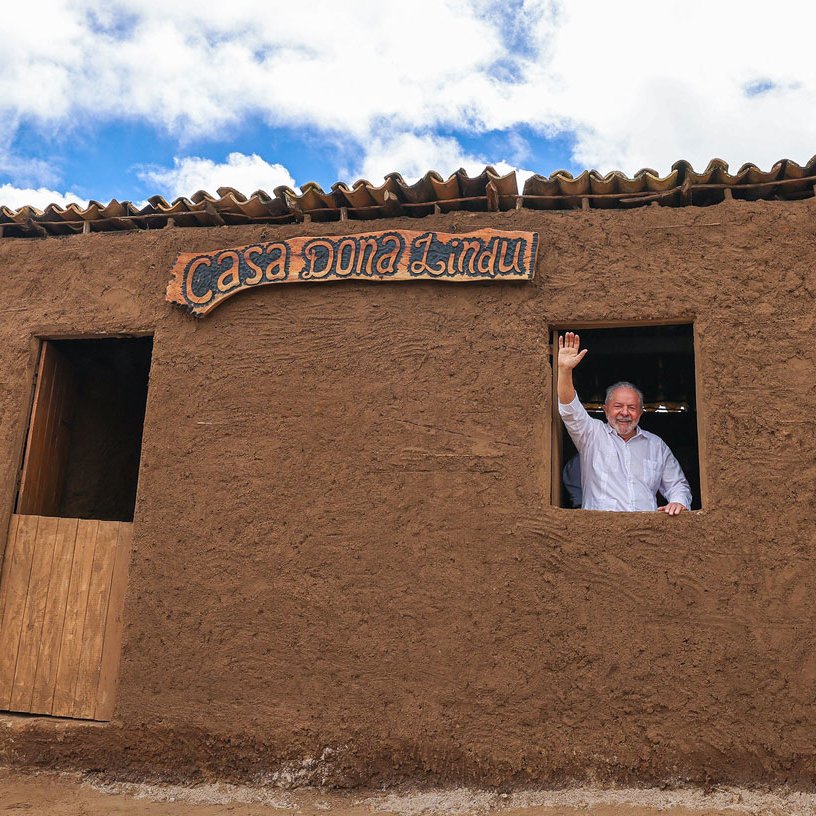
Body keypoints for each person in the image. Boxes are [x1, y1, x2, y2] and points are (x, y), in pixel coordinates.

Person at [557, 331, 691, 514]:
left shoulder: (656, 445)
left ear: (641, 413)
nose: (625, 413)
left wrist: (678, 502)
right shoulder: (591, 435)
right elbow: (570, 410)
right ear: (605, 410)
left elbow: (677, 485)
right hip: (599, 533)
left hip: (646, 533)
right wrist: (564, 371)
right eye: (618, 406)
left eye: (632, 407)